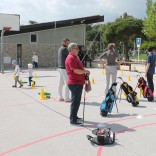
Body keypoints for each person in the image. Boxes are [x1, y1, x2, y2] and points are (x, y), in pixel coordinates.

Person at [65, 43, 90, 125]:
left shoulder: (75, 57)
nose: (78, 50)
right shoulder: (71, 58)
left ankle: (74, 116)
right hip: (74, 83)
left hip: (78, 82)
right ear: (72, 49)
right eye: (77, 48)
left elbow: (78, 69)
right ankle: (73, 120)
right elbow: (75, 70)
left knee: (77, 101)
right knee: (75, 102)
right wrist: (85, 71)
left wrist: (84, 72)